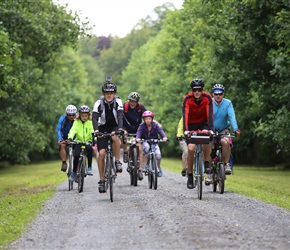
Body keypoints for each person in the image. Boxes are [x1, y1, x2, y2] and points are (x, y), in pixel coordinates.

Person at [92, 77, 124, 193]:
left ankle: (117, 161)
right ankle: (101, 180)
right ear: (103, 94)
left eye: (111, 93)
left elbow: (120, 116)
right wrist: (96, 131)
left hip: (115, 125)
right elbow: (94, 117)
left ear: (114, 94)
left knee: (115, 137)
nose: (109, 95)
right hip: (102, 127)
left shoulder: (118, 102)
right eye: (107, 93)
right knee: (101, 153)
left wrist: (120, 128)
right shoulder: (98, 103)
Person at [182, 78, 213, 189]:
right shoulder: (187, 99)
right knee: (191, 149)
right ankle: (190, 175)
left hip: (203, 123)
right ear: (192, 90)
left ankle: (206, 162)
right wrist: (186, 130)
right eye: (195, 90)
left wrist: (210, 129)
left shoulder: (208, 97)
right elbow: (185, 114)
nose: (197, 92)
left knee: (207, 139)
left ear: (202, 90)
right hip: (190, 125)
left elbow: (210, 113)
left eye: (199, 90)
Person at [212, 83, 241, 175]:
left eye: (220, 93)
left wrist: (236, 129)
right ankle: (209, 171)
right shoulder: (209, 103)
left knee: (226, 142)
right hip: (210, 130)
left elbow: (232, 116)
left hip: (223, 129)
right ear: (213, 94)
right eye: (216, 93)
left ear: (223, 94)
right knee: (207, 146)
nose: (218, 95)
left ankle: (226, 164)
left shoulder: (228, 103)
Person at [122, 91, 147, 181]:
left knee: (140, 148)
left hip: (137, 128)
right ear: (128, 100)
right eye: (131, 101)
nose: (132, 103)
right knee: (123, 134)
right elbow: (120, 117)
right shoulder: (124, 107)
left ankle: (140, 169)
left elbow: (146, 117)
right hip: (126, 127)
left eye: (134, 101)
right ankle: (125, 152)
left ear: (137, 102)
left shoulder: (141, 107)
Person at [136, 111, 168, 177]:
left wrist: (164, 137)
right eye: (146, 119)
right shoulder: (142, 126)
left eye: (149, 119)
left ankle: (158, 168)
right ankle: (144, 165)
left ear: (152, 119)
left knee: (158, 155)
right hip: (145, 141)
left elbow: (160, 131)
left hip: (154, 142)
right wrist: (138, 138)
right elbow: (139, 132)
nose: (148, 120)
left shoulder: (155, 125)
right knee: (146, 148)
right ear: (144, 119)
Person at [67, 105, 94, 180]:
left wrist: (93, 138)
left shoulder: (90, 122)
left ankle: (89, 167)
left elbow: (92, 131)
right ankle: (74, 172)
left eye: (86, 116)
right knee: (76, 155)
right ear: (79, 115)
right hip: (79, 142)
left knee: (89, 149)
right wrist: (70, 137)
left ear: (88, 115)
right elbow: (73, 130)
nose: (84, 117)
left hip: (88, 141)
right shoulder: (76, 122)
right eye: (83, 116)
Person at [56, 104, 77, 172]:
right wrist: (60, 139)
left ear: (75, 114)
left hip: (75, 138)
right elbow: (59, 129)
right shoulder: (62, 119)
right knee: (61, 145)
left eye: (73, 115)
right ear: (66, 114)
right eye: (69, 115)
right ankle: (64, 163)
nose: (71, 117)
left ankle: (78, 169)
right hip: (65, 137)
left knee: (77, 152)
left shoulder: (78, 119)